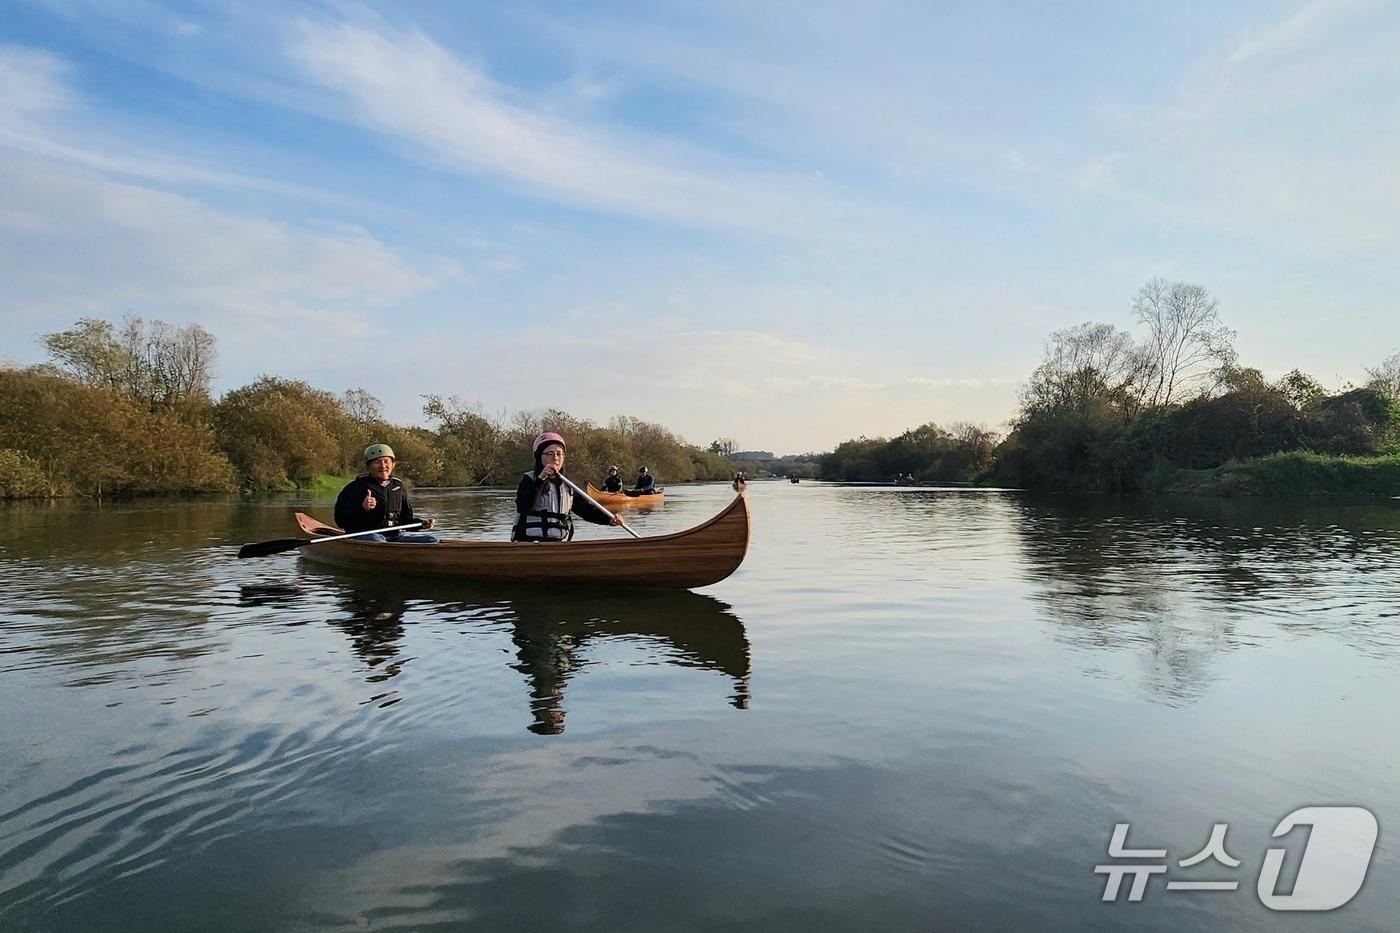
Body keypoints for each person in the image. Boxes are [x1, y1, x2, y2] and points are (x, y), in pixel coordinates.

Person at [512, 433, 625, 541]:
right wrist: (541, 478)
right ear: (539, 457)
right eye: (549, 454)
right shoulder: (529, 479)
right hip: (529, 541)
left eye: (559, 453)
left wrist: (609, 519)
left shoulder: (567, 485)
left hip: (556, 543)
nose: (555, 458)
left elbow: (587, 511)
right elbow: (524, 506)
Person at [334, 444, 440, 542]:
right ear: (368, 466)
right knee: (377, 540)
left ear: (393, 465)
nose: (382, 466)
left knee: (432, 540)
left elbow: (405, 521)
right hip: (366, 536)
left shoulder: (398, 487)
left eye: (386, 461)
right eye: (377, 462)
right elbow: (340, 521)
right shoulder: (355, 487)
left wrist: (422, 524)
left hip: (393, 536)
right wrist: (362, 508)